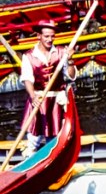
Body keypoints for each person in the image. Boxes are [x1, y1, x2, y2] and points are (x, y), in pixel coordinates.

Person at [20, 21, 77, 154]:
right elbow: (27, 79)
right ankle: (30, 159)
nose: (50, 39)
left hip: (57, 99)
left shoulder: (62, 52)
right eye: (46, 36)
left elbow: (71, 76)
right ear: (38, 36)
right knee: (34, 135)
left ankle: (54, 156)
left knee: (54, 136)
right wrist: (33, 96)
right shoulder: (28, 56)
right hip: (38, 99)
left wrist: (70, 60)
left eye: (52, 36)